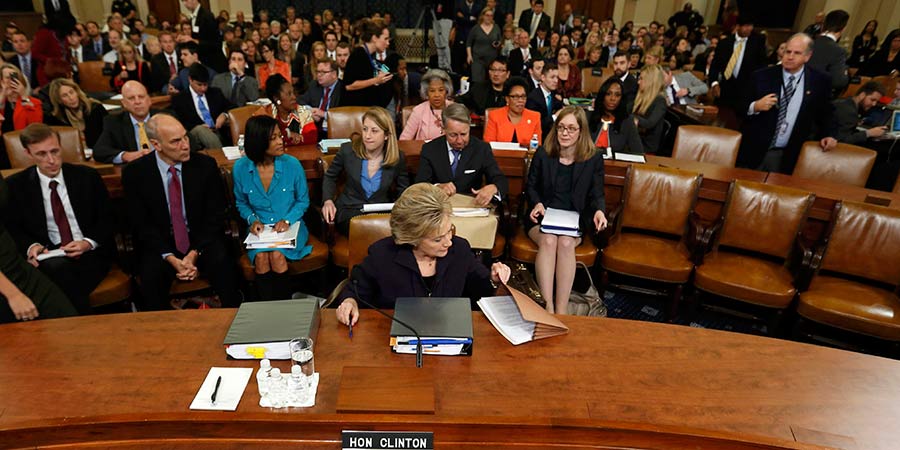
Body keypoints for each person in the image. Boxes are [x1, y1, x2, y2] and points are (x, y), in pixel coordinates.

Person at [335, 182, 512, 325]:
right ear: (412, 239)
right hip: (392, 339)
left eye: (449, 231)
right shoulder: (381, 255)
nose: (448, 242)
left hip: (448, 336)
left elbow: (480, 289)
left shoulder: (459, 249)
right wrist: (350, 302)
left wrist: (493, 278)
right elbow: (354, 291)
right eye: (437, 239)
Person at [122, 114, 240, 310]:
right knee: (151, 275)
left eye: (185, 137)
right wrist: (170, 257)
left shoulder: (205, 165)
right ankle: (162, 327)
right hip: (160, 244)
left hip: (200, 239)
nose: (185, 145)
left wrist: (194, 253)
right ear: (156, 144)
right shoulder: (135, 173)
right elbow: (140, 224)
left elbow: (215, 215)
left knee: (223, 263)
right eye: (176, 141)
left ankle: (235, 318)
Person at [4, 124, 113, 315]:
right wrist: (31, 246)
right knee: (57, 270)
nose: (51, 160)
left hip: (90, 252)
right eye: (41, 154)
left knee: (61, 276)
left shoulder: (87, 176)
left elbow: (108, 219)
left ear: (61, 147)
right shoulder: (16, 185)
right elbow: (13, 228)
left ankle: (73, 325)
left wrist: (87, 243)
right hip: (49, 255)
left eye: (54, 151)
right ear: (28, 153)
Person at [525, 106, 607, 315]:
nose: (564, 133)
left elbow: (597, 193)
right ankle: (547, 307)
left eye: (571, 128)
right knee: (549, 240)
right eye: (561, 127)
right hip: (543, 216)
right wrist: (537, 203)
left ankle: (561, 310)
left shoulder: (593, 158)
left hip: (574, 219)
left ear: (581, 131)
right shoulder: (544, 153)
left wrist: (599, 211)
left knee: (566, 242)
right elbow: (531, 187)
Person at [232, 115, 312, 300]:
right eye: (273, 138)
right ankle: (267, 309)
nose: (280, 141)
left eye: (279, 136)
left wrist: (287, 220)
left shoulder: (292, 165)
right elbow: (241, 203)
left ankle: (284, 308)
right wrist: (253, 220)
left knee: (276, 256)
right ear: (258, 142)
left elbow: (302, 201)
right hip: (260, 233)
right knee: (261, 258)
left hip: (291, 227)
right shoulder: (240, 168)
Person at [740, 33, 836, 173]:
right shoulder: (761, 76)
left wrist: (828, 134)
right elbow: (739, 106)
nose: (790, 57)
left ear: (807, 56)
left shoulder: (820, 80)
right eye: (788, 51)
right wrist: (755, 106)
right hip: (755, 151)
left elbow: (826, 112)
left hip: (789, 155)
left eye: (797, 53)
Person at [0, 173, 76, 323]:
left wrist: (26, 250)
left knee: (68, 320)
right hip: (4, 283)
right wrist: (13, 295)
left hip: (17, 266)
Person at [322, 107, 409, 235]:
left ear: (386, 135)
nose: (367, 136)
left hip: (381, 212)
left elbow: (403, 189)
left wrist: (400, 208)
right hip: (350, 211)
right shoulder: (347, 150)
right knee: (370, 231)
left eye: (374, 131)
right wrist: (328, 200)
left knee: (389, 231)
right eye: (365, 129)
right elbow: (330, 176)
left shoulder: (397, 157)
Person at [415, 103, 508, 207]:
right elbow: (420, 186)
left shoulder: (481, 149)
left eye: (463, 134)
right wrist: (437, 187)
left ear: (469, 127)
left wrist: (494, 188)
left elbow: (500, 180)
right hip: (439, 207)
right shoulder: (430, 149)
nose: (459, 141)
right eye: (453, 135)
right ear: (444, 129)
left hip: (472, 206)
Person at [708, 15, 769, 111]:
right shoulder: (724, 43)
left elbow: (762, 66)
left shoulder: (757, 43)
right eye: (746, 26)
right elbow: (715, 66)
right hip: (724, 92)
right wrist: (714, 83)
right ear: (737, 26)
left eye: (751, 25)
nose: (750, 28)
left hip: (745, 93)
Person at [170, 63, 234, 150]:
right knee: (202, 130)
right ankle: (220, 154)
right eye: (199, 85)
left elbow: (232, 106)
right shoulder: (179, 99)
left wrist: (224, 115)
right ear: (190, 80)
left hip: (218, 131)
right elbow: (179, 122)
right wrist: (199, 126)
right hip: (194, 133)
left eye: (205, 85)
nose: (203, 88)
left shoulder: (215, 93)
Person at [93, 81, 159, 164]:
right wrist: (125, 156)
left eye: (141, 97)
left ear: (149, 100)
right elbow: (99, 151)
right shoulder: (114, 122)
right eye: (131, 98)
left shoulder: (166, 117)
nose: (137, 102)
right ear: (124, 103)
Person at [341, 20, 393, 108]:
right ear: (374, 38)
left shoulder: (370, 55)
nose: (388, 43)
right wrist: (376, 80)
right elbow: (349, 85)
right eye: (385, 39)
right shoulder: (358, 55)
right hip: (355, 109)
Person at [254, 74, 316, 146]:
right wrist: (287, 135)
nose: (294, 97)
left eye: (293, 92)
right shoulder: (264, 114)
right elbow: (261, 140)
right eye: (289, 94)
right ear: (276, 98)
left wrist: (285, 139)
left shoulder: (302, 111)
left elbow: (312, 137)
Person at [45, 78, 108, 148]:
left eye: (71, 92)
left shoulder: (95, 108)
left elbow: (108, 135)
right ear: (59, 100)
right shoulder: (56, 117)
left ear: (77, 92)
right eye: (65, 95)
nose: (71, 98)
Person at [483, 76, 542, 147]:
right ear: (507, 99)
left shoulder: (535, 117)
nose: (520, 100)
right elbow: (488, 145)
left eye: (523, 96)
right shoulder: (494, 116)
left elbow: (537, 146)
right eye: (516, 97)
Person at [590, 77, 643, 155]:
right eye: (608, 94)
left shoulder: (627, 122)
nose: (612, 98)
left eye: (617, 95)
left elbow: (639, 153)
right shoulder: (588, 117)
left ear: (622, 98)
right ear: (602, 96)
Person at [400, 69, 454, 141]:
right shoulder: (418, 111)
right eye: (432, 91)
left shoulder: (455, 109)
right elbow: (404, 140)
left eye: (441, 90)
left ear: (447, 91)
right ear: (426, 93)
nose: (437, 95)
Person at [807, 10, 850, 96]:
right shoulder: (838, 51)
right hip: (817, 96)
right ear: (843, 28)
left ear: (824, 25)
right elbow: (838, 82)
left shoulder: (808, 43)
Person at [298, 58, 342, 139]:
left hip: (335, 133)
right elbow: (300, 101)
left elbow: (344, 115)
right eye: (318, 72)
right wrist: (310, 111)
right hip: (315, 131)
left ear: (334, 74)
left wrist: (324, 114)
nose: (319, 75)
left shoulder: (343, 89)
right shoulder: (314, 85)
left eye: (323, 72)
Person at [833, 81, 886, 145]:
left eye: (876, 101)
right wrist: (868, 133)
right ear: (862, 95)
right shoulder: (849, 112)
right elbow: (840, 141)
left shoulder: (846, 102)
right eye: (872, 100)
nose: (874, 104)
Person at [0, 64, 43, 140]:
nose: (12, 80)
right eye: (8, 78)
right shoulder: (2, 100)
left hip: (24, 141)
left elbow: (35, 127)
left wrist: (24, 96)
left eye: (14, 77)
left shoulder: (35, 102)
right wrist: (3, 94)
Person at [181, 0, 226, 73]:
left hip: (213, 63)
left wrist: (194, 40)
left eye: (186, 0)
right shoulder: (193, 17)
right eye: (183, 1)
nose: (184, 4)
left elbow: (216, 43)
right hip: (203, 62)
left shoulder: (207, 16)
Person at [632, 64, 667, 154]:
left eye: (641, 79)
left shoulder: (660, 101)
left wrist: (634, 119)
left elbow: (649, 123)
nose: (638, 82)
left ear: (650, 81)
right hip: (636, 138)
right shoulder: (640, 97)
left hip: (646, 146)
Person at [526, 62, 563, 140]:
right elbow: (536, 124)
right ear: (543, 77)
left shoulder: (555, 95)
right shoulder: (533, 98)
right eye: (552, 77)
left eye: (557, 77)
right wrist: (555, 116)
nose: (556, 81)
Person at [467, 7, 501, 84]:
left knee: (491, 82)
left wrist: (497, 44)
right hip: (478, 59)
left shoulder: (496, 27)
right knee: (477, 81)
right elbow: (469, 43)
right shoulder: (476, 28)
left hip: (492, 60)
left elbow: (500, 41)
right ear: (483, 16)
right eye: (487, 15)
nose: (489, 17)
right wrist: (469, 55)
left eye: (491, 16)